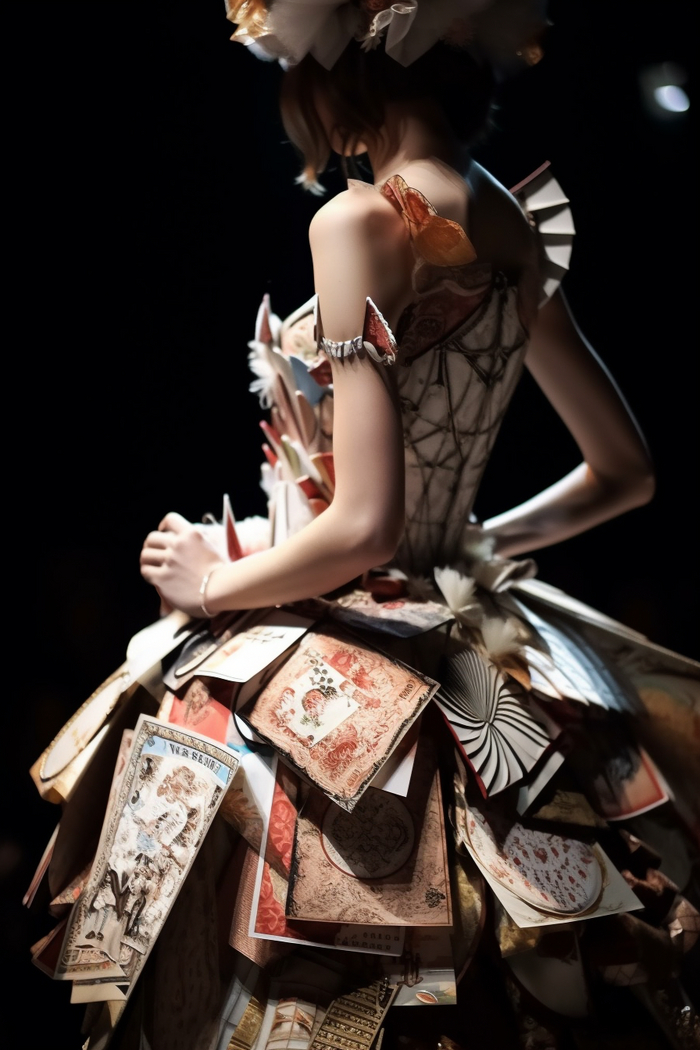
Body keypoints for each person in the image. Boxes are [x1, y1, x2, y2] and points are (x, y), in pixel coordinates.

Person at [27, 3, 700, 1049]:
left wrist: (211, 582)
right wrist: (472, 544)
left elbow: (365, 528)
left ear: (339, 72)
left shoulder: (357, 222)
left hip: (359, 629)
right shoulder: (507, 218)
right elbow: (625, 473)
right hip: (468, 623)